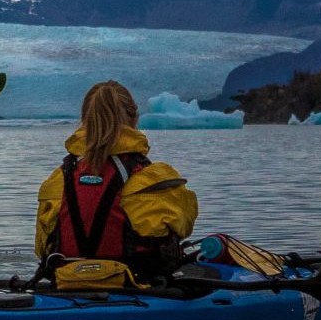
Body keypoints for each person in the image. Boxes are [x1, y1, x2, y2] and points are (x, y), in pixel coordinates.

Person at [36, 80, 199, 280]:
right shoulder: (155, 179)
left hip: (66, 282)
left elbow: (41, 246)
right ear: (135, 118)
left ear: (85, 120)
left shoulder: (58, 180)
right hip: (138, 285)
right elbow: (183, 227)